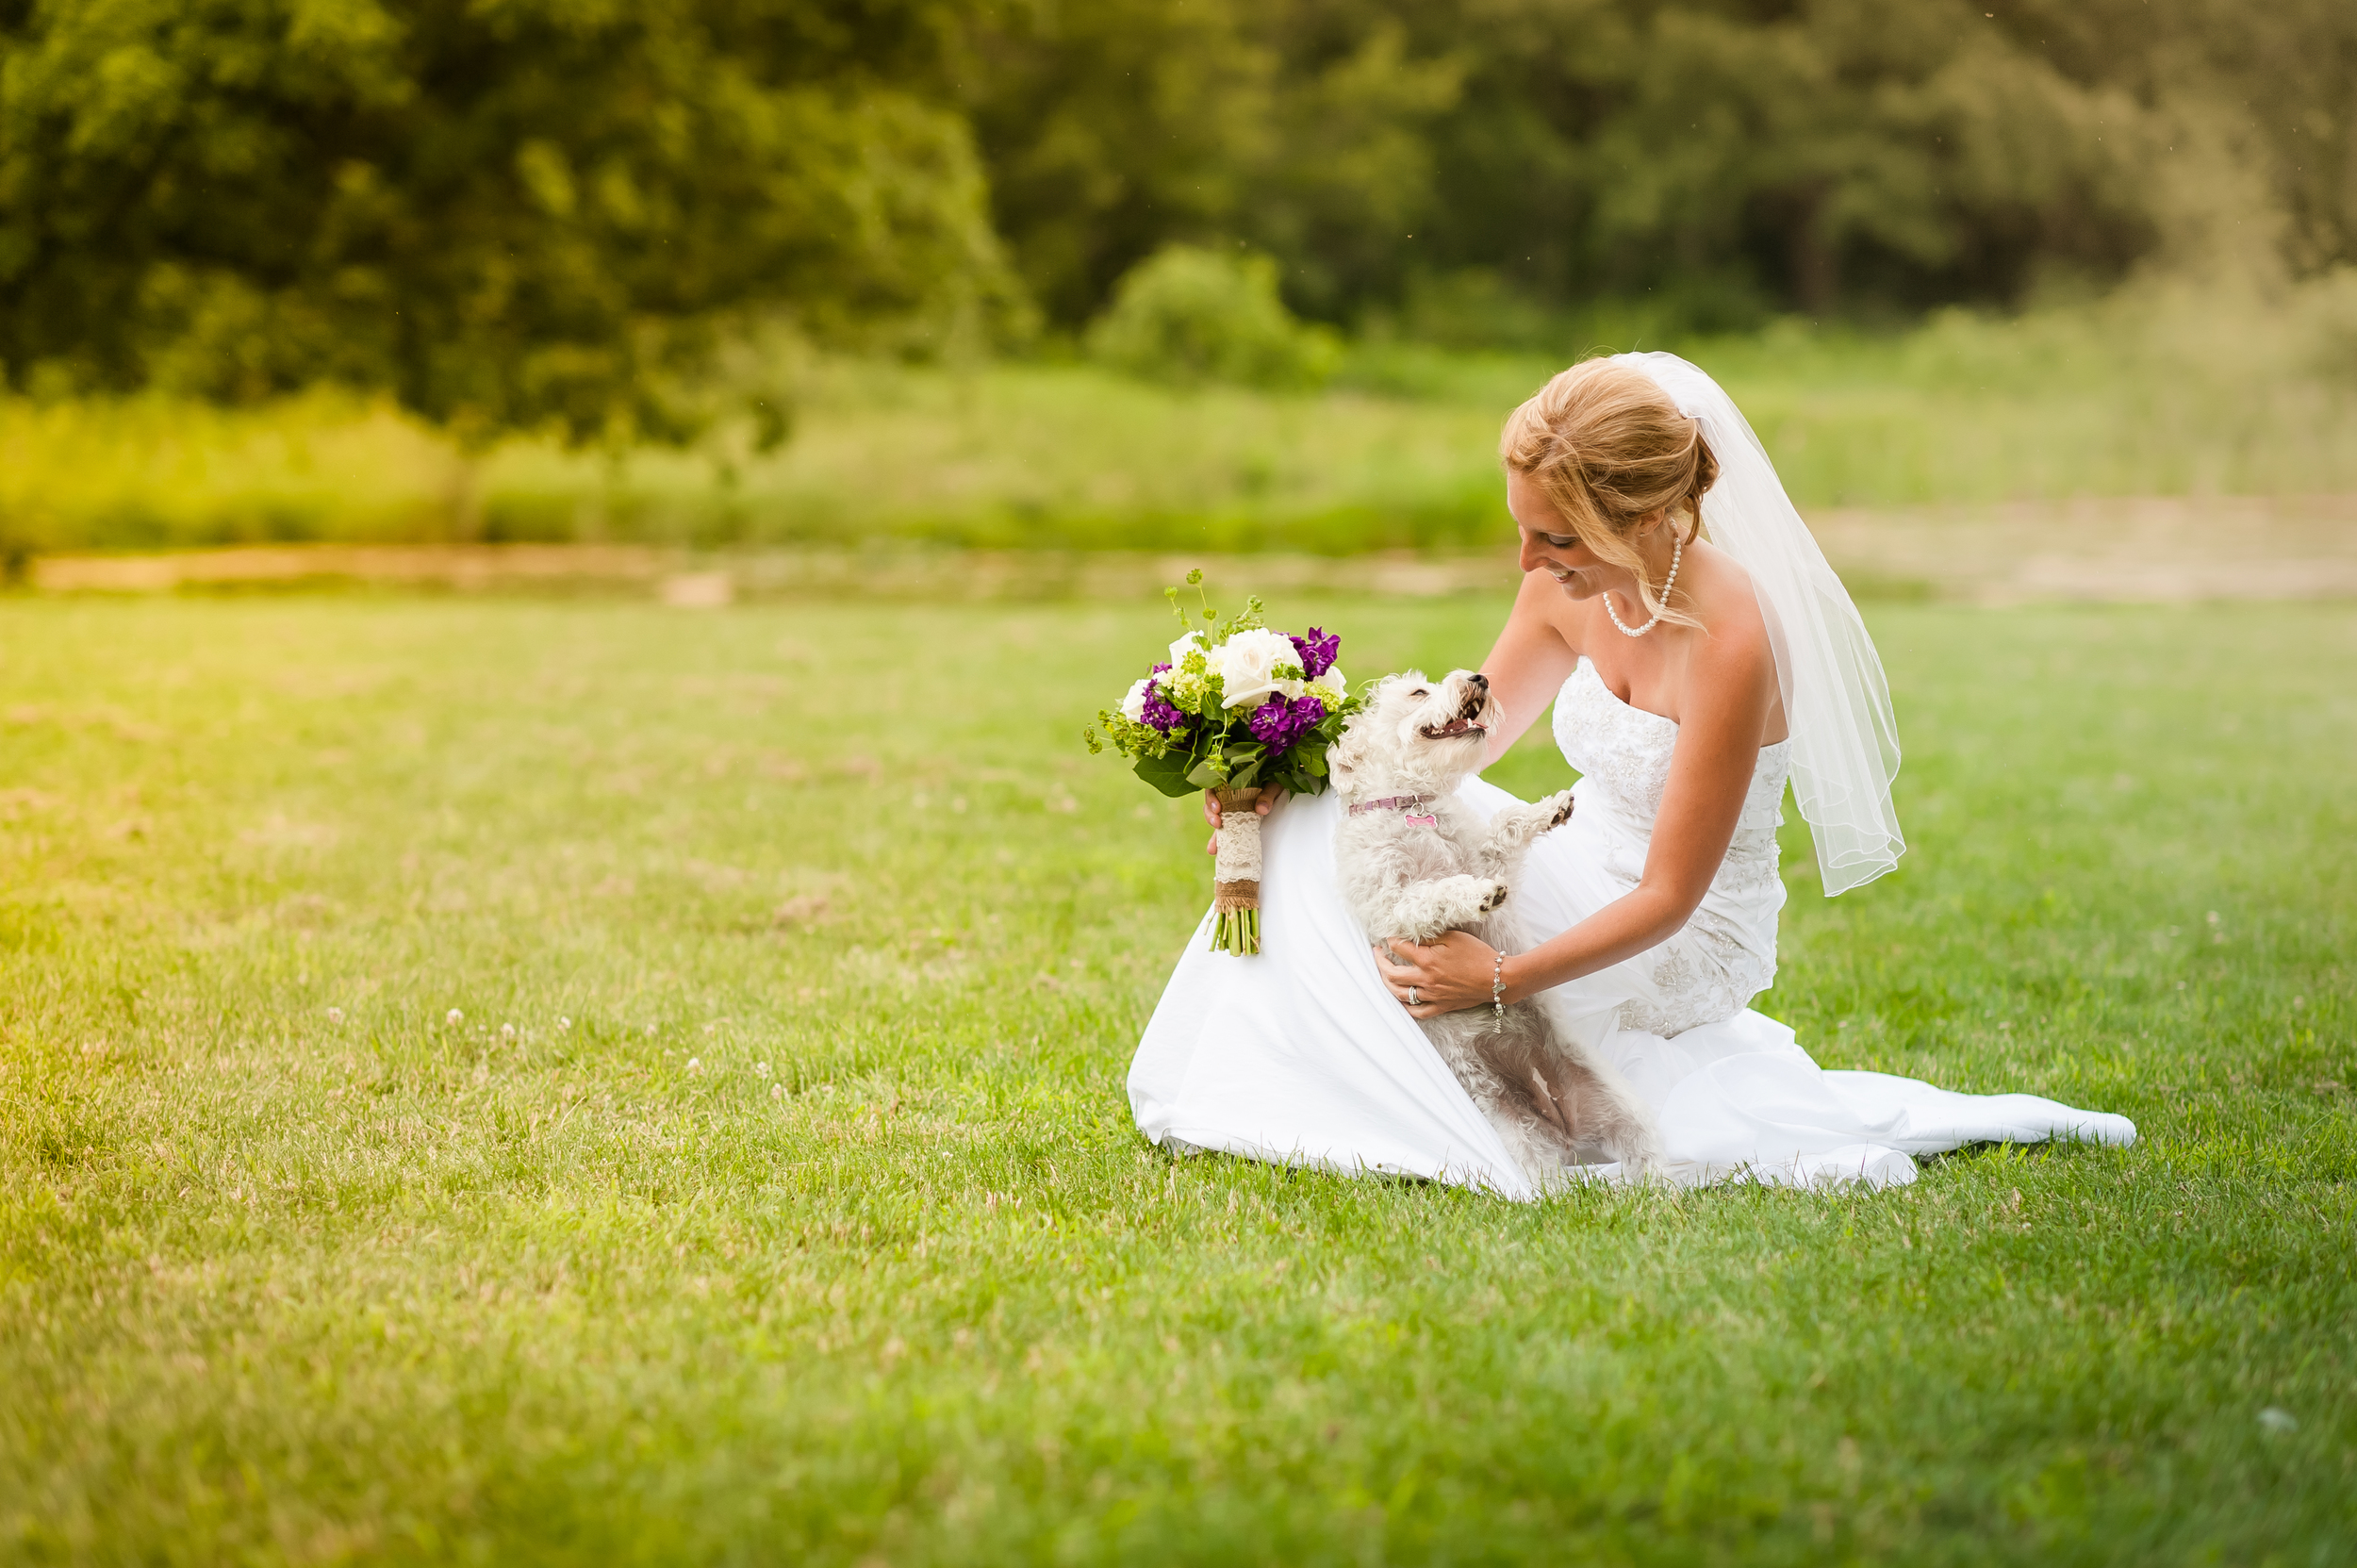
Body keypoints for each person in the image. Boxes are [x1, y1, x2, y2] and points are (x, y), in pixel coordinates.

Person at [1127, 353, 2134, 1194]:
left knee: (1397, 854)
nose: (1528, 562)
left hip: (1684, 925)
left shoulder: (1735, 638)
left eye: (1556, 539)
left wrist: (1500, 976)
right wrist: (1284, 772)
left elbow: (1669, 892)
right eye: (1521, 529)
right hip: (1579, 856)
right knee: (1344, 813)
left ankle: (1405, 1107)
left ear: (1648, 517)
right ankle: (1272, 1083)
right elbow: (1459, 751)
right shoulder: (1565, 591)